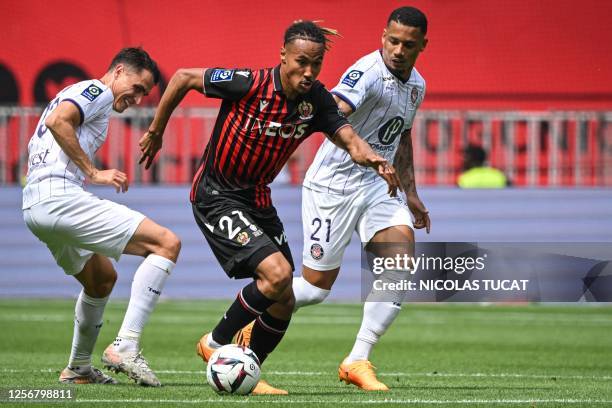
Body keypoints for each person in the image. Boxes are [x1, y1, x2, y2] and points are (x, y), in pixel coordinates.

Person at [139, 20, 401, 395]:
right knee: (278, 275)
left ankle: (249, 370)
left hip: (258, 199)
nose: (308, 72)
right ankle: (214, 342)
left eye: (316, 64)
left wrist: (374, 159)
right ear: (282, 56)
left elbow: (350, 140)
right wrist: (157, 130)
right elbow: (181, 77)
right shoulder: (247, 83)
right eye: (300, 62)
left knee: (285, 297)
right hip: (216, 195)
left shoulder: (318, 102)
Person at [236, 6, 431, 391]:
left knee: (400, 261)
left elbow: (401, 134)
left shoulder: (418, 85)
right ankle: (245, 321)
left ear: (422, 45)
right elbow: (332, 112)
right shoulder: (366, 74)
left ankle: (358, 359)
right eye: (392, 40)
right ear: (382, 36)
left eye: (408, 44)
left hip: (379, 186)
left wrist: (411, 191)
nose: (398, 50)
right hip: (334, 186)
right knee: (314, 288)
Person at [22, 47, 181, 387]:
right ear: (119, 71)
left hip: (36, 203)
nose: (138, 98)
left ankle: (78, 369)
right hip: (58, 197)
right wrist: (93, 172)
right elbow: (57, 121)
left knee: (101, 279)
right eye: (137, 88)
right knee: (166, 243)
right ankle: (126, 345)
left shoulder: (91, 99)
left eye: (144, 94)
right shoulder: (94, 91)